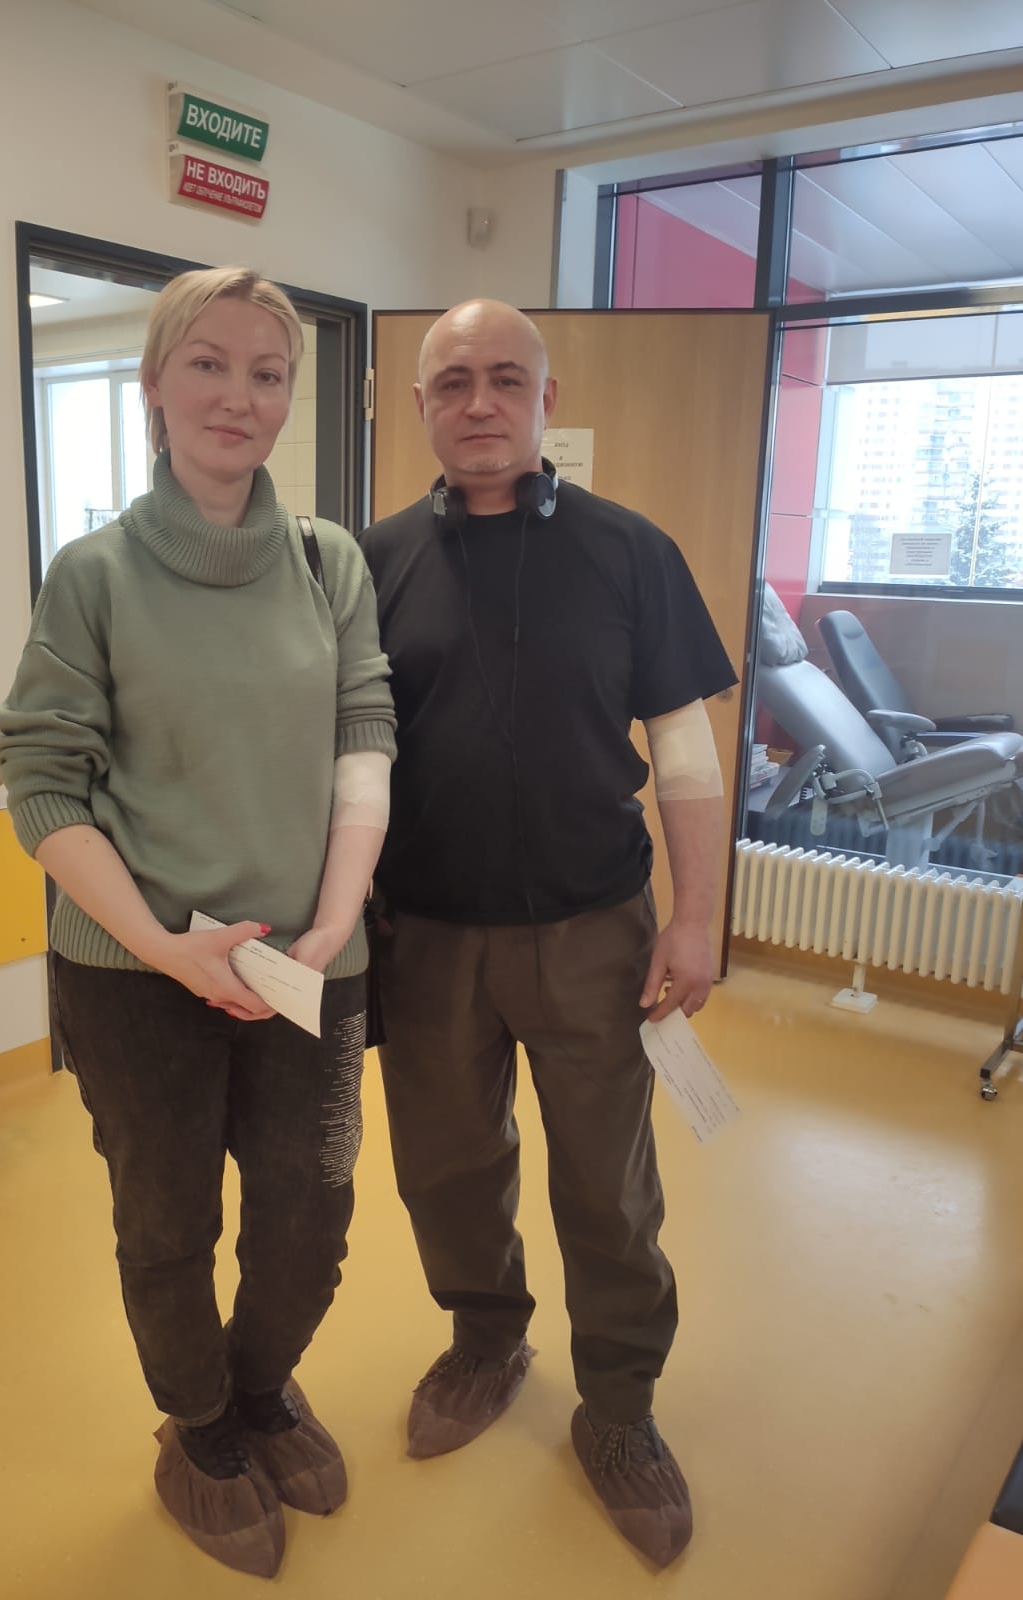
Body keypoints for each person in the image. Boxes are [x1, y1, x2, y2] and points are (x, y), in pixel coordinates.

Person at [0, 267, 395, 1579]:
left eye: (266, 373)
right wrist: (164, 945)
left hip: (305, 963)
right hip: (135, 973)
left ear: (290, 396)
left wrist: (335, 919)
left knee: (309, 1215)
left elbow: (364, 736)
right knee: (166, 1222)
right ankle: (202, 1425)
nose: (238, 395)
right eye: (208, 365)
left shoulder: (329, 563)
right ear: (155, 385)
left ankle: (263, 1388)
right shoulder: (94, 575)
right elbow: (44, 784)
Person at [358, 299, 735, 1570]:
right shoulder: (371, 564)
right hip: (427, 934)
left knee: (607, 1186)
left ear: (545, 398)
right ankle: (485, 1339)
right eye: (453, 380)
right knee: (447, 1167)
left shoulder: (631, 552)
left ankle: (619, 1408)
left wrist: (696, 918)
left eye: (506, 379)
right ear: (420, 404)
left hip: (593, 931)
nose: (480, 402)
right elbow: (344, 758)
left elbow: (684, 753)